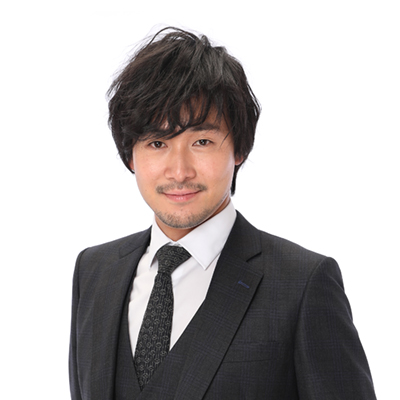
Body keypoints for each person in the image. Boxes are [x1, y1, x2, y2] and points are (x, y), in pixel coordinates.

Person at [69, 27, 376, 400]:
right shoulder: (95, 271)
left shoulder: (303, 284)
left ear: (240, 149)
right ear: (130, 154)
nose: (179, 171)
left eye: (202, 141)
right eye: (157, 143)